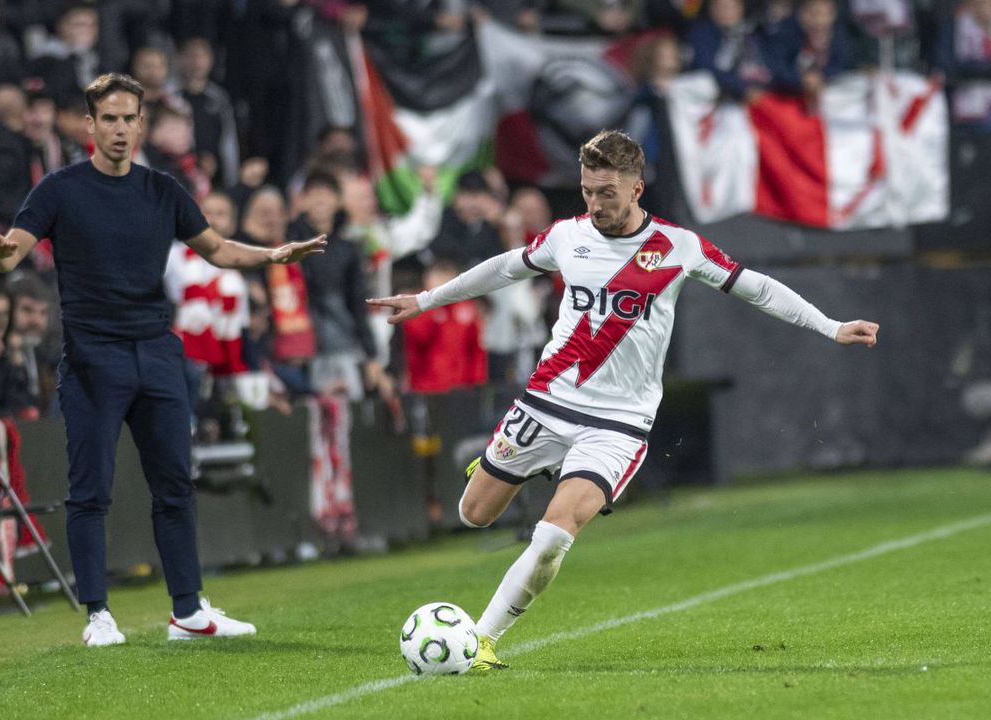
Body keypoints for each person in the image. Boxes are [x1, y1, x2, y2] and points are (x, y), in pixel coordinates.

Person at [368, 129, 879, 671]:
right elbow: (504, 267)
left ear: (636, 188)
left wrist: (830, 326)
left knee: (552, 536)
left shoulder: (678, 247)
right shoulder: (566, 236)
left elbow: (756, 287)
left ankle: (483, 640)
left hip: (618, 423)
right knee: (473, 515)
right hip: (548, 401)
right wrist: (427, 299)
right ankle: (509, 466)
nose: (595, 204)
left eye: (606, 193)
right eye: (588, 191)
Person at [0, 73, 326, 647]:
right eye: (109, 119)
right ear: (90, 125)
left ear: (141, 125)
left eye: (128, 119)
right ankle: (98, 615)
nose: (119, 129)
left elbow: (217, 249)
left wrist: (273, 255)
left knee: (175, 486)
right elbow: (13, 249)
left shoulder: (163, 190)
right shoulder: (60, 189)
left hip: (158, 354)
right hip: (93, 359)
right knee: (90, 491)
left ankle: (188, 612)